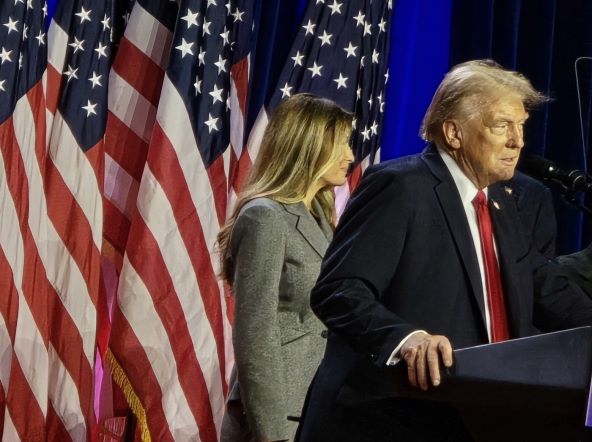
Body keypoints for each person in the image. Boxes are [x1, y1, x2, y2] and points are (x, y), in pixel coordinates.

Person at [296, 60, 592, 442]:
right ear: (454, 132)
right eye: (502, 125)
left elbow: (543, 284)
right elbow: (339, 289)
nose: (517, 141)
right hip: (392, 417)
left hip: (476, 416)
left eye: (521, 126)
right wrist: (406, 339)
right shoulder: (401, 186)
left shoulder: (501, 202)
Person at [217, 93, 354, 442]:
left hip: (318, 408)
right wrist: (273, 433)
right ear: (309, 145)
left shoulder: (321, 218)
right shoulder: (265, 217)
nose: (351, 156)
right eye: (341, 144)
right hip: (278, 418)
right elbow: (255, 335)